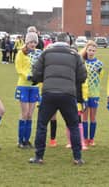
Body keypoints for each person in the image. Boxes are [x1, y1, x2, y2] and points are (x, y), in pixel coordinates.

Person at [29, 32, 87, 165]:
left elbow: (36, 72)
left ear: (55, 41)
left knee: (42, 125)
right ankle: (77, 157)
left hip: (49, 93)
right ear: (69, 42)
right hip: (68, 94)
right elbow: (82, 76)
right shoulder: (75, 55)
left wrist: (45, 78)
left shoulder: (46, 53)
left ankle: (39, 157)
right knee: (73, 126)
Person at [15, 32, 41, 148]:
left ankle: (27, 140)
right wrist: (27, 75)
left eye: (35, 42)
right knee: (24, 113)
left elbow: (40, 67)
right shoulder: (21, 53)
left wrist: (38, 77)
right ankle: (20, 140)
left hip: (34, 87)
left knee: (30, 114)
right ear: (27, 42)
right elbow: (19, 68)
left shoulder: (38, 54)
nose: (33, 44)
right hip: (23, 85)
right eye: (31, 42)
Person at [80, 40, 103, 146]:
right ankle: (84, 138)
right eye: (89, 50)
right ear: (86, 50)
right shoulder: (82, 62)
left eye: (93, 50)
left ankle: (92, 139)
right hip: (84, 94)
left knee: (93, 117)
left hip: (94, 94)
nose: (91, 52)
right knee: (84, 117)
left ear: (96, 51)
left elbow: (100, 77)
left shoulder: (99, 64)